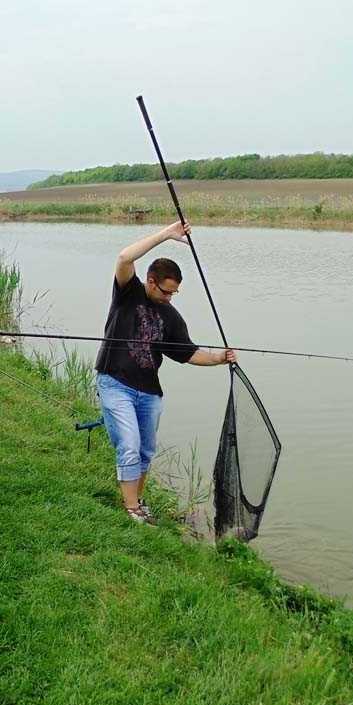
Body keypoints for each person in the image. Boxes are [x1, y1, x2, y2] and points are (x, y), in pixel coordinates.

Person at [95, 221, 236, 525]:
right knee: (129, 445)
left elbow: (187, 353)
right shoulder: (128, 293)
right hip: (114, 382)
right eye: (165, 291)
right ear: (150, 281)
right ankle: (131, 509)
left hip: (149, 392)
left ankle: (137, 501)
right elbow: (124, 258)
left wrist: (219, 358)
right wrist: (165, 235)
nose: (169, 298)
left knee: (145, 451)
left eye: (174, 293)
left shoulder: (171, 316)